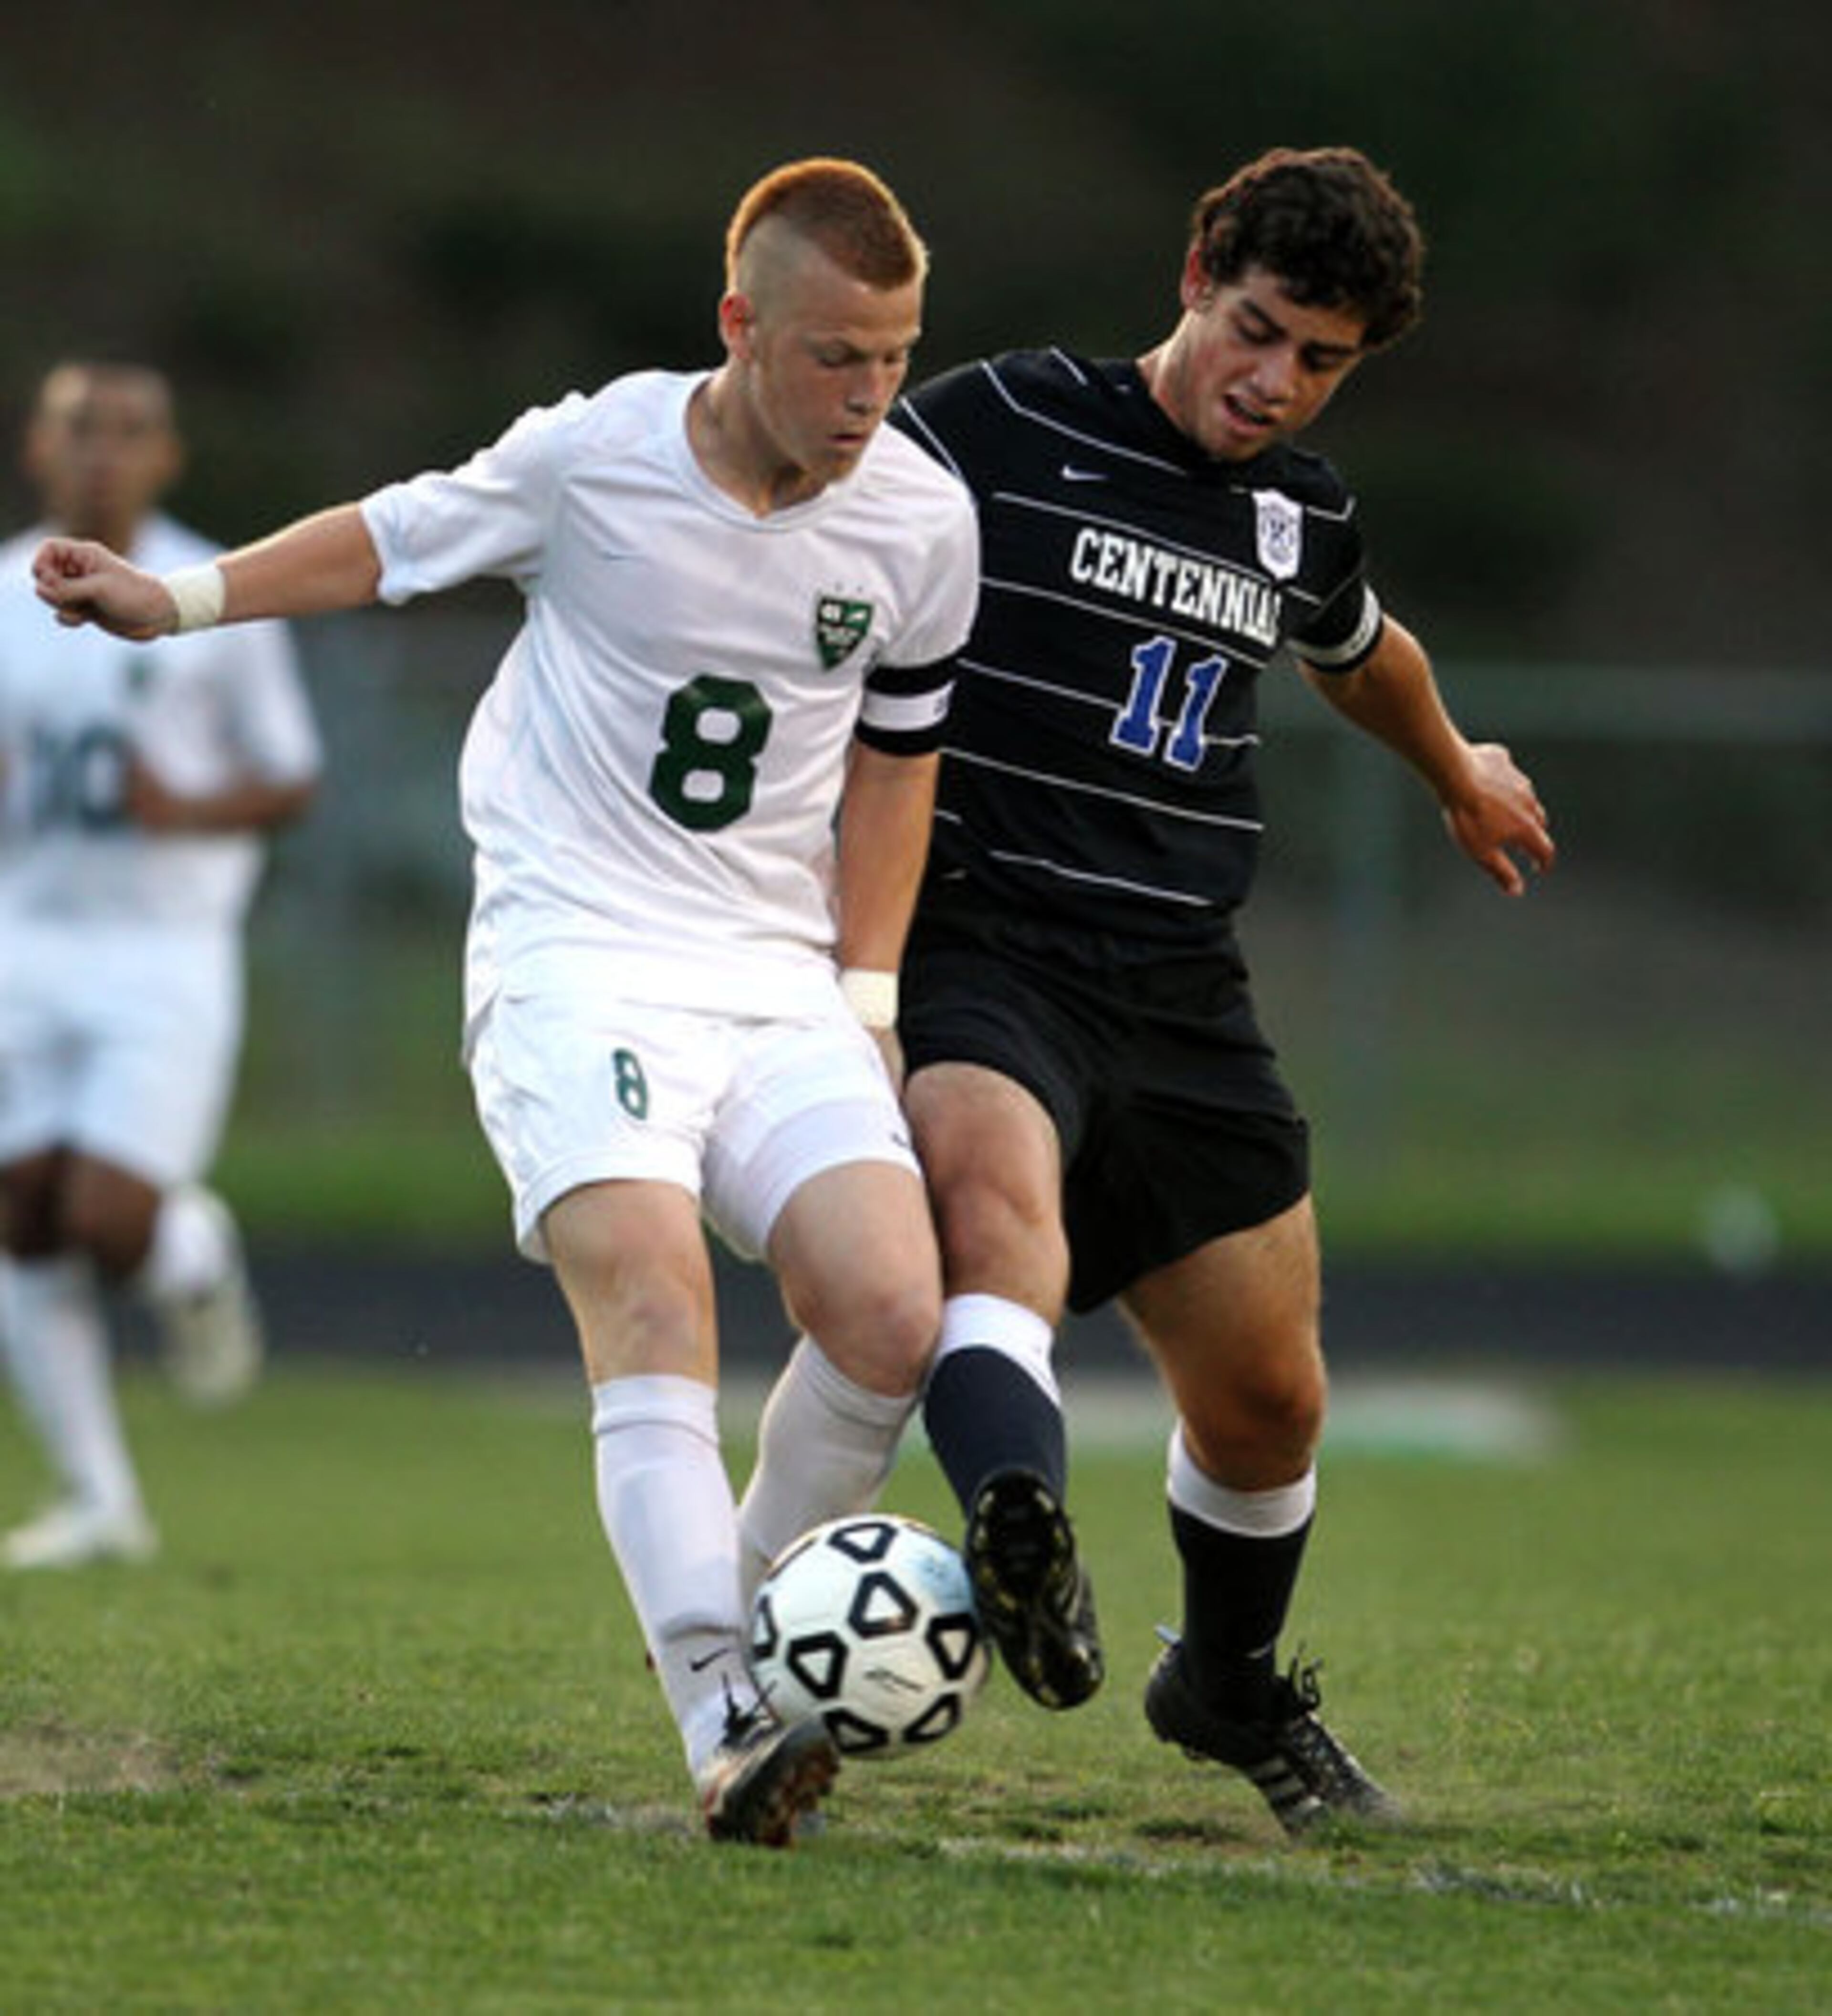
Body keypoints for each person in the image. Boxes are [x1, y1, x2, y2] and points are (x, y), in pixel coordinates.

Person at [32, 160, 980, 1849]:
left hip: (773, 977)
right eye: (836, 354)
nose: (868, 396)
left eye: (896, 357)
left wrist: (868, 990)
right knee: (653, 1291)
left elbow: (900, 769)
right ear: (739, 324)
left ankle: (749, 1615)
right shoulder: (594, 455)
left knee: (897, 1316)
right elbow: (389, 542)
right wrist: (173, 599)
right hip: (576, 950)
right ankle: (719, 1709)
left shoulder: (920, 517)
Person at [891, 146, 1556, 1837]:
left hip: (1180, 986)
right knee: (996, 1222)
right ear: (1198, 272)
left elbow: (1362, 645)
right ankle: (1020, 1534)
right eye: (1258, 329)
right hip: (977, 937)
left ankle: (1226, 1685)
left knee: (1270, 1401)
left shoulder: (1298, 510)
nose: (1275, 382)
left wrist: (1455, 768)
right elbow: (801, 556)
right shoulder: (993, 422)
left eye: (1321, 360)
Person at [0, 361, 320, 1571]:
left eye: (129, 432)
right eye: (82, 429)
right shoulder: (0, 591)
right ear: (42, 445)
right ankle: (99, 1499)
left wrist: (181, 808)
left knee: (107, 1213)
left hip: (164, 950)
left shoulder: (207, 591)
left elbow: (289, 777)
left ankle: (193, 1253)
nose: (103, 453)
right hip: (22, 938)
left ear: (166, 456)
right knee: (23, 1218)